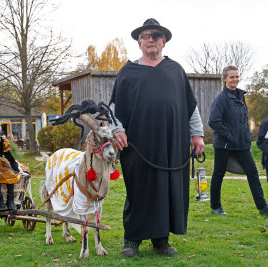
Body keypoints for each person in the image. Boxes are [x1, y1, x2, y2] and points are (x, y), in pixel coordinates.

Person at [109, 18, 205, 257]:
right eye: (146, 36)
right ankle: (132, 240)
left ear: (164, 41)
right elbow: (113, 109)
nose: (151, 39)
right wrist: (117, 130)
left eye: (156, 35)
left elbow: (190, 107)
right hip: (138, 145)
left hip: (172, 143)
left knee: (167, 189)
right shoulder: (127, 73)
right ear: (139, 43)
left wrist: (197, 134)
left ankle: (161, 240)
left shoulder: (176, 70)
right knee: (139, 189)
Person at [209, 66, 268, 216]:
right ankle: (216, 207)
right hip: (224, 144)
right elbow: (214, 121)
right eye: (231, 77)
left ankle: (263, 208)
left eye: (236, 76)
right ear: (224, 79)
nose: (235, 79)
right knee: (218, 174)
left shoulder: (241, 96)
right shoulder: (221, 99)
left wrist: (246, 137)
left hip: (242, 144)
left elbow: (243, 120)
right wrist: (229, 135)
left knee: (252, 172)